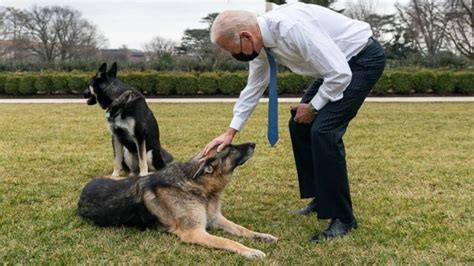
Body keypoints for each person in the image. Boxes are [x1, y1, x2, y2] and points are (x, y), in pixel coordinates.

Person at [203, 2, 385, 243]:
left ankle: (344, 218)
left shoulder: (292, 28)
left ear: (246, 35)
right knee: (300, 125)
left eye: (233, 50)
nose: (234, 55)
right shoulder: (260, 46)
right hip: (335, 67)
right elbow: (254, 87)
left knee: (324, 131)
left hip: (360, 61)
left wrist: (314, 107)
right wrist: (230, 133)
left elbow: (341, 74)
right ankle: (322, 197)